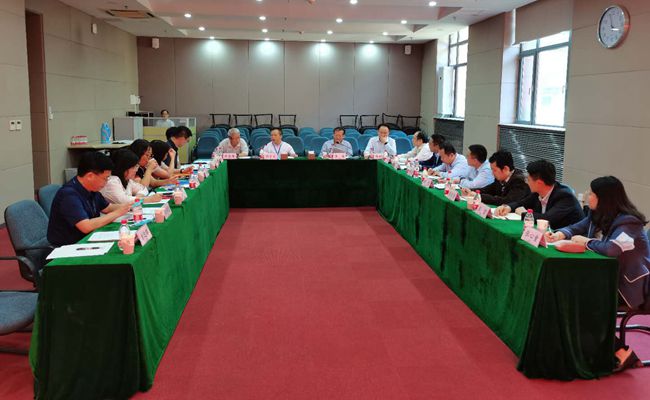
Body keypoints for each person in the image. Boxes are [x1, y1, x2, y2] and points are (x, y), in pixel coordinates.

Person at [545, 176, 650, 371]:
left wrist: (586, 242)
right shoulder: (598, 215)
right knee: (567, 294)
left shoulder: (629, 222)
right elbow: (579, 227)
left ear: (604, 198)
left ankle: (621, 352)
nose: (587, 195)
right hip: (605, 280)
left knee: (579, 302)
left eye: (592, 193)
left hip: (629, 288)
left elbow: (611, 249)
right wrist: (561, 233)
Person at [47, 152, 132, 247]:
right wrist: (117, 213)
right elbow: (86, 226)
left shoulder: (92, 189)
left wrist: (129, 206)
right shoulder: (68, 195)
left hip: (88, 239)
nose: (106, 182)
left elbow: (108, 208)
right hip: (68, 247)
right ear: (90, 176)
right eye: (105, 178)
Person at [494, 159, 583, 229]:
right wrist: (508, 207)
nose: (527, 183)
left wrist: (524, 214)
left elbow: (546, 219)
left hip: (569, 239)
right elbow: (521, 203)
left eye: (528, 180)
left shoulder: (565, 197)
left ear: (539, 183)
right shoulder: (537, 193)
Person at [462, 150, 530, 205]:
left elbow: (507, 201)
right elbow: (488, 189)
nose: (492, 173)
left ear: (505, 169)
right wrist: (471, 191)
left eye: (494, 170)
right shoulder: (500, 178)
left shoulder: (519, 181)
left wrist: (480, 196)